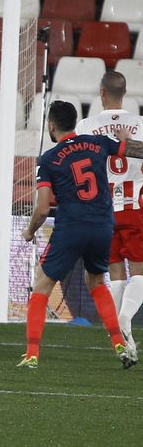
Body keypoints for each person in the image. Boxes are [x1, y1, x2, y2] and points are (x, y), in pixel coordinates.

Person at [19, 100, 143, 369]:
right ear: (74, 122)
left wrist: (29, 231)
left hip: (71, 227)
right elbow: (138, 151)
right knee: (96, 282)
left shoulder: (49, 159)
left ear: (51, 126)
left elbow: (42, 208)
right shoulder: (98, 143)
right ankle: (118, 343)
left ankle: (31, 355)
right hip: (102, 227)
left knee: (42, 285)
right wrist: (126, 140)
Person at [74, 71, 143, 344]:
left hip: (102, 210)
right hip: (134, 208)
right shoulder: (140, 123)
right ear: (124, 92)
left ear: (102, 92)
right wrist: (127, 142)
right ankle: (125, 318)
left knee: (114, 273)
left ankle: (116, 333)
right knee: (139, 271)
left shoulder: (86, 126)